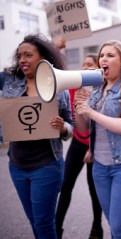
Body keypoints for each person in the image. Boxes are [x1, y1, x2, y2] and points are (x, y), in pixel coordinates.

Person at [74, 40, 121, 239]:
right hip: (100, 167)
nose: (103, 59)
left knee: (119, 228)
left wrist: (91, 112)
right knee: (115, 226)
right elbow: (83, 130)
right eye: (102, 55)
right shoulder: (96, 89)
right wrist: (80, 110)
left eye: (110, 55)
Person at [0, 34, 73, 238]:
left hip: (46, 166)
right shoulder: (9, 80)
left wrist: (62, 128)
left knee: (43, 222)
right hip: (17, 166)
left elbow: (71, 127)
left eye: (28, 55)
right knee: (34, 220)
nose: (22, 59)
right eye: (20, 55)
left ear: (42, 58)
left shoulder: (59, 86)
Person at [56, 54, 103, 239]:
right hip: (77, 143)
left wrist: (92, 148)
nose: (85, 67)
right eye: (83, 63)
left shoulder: (101, 90)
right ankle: (56, 228)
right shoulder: (75, 86)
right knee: (66, 185)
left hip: (95, 145)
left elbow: (102, 123)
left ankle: (97, 229)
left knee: (94, 190)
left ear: (98, 68)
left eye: (90, 64)